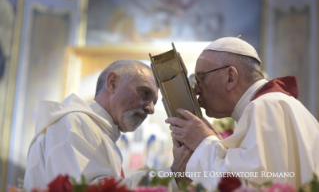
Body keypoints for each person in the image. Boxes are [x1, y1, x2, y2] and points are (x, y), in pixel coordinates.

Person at [166, 37, 319, 190]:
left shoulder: (266, 107)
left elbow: (250, 186)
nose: (196, 89)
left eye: (201, 78)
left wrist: (203, 143)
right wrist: (218, 147)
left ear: (230, 77)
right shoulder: (274, 104)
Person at [24, 59, 192, 190]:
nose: (150, 109)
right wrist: (173, 176)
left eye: (154, 102)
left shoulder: (101, 134)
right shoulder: (73, 122)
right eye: (144, 93)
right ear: (112, 83)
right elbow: (89, 189)